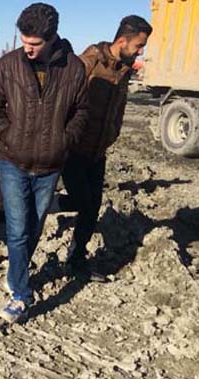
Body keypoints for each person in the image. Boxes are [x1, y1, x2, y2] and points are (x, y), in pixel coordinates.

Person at [0, 2, 89, 323]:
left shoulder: (74, 69)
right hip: (13, 161)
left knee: (33, 228)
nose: (26, 49)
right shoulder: (8, 65)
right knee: (16, 230)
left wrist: (64, 141)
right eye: (24, 41)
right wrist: (9, 136)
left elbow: (82, 112)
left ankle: (17, 270)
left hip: (50, 166)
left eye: (34, 44)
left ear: (53, 38)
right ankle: (20, 292)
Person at [59, 15, 152, 281]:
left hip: (98, 152)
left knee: (92, 207)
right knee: (81, 201)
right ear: (122, 41)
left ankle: (76, 262)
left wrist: (113, 133)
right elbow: (63, 101)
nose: (140, 51)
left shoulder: (124, 69)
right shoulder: (88, 62)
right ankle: (45, 204)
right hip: (74, 149)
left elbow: (118, 109)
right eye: (139, 45)